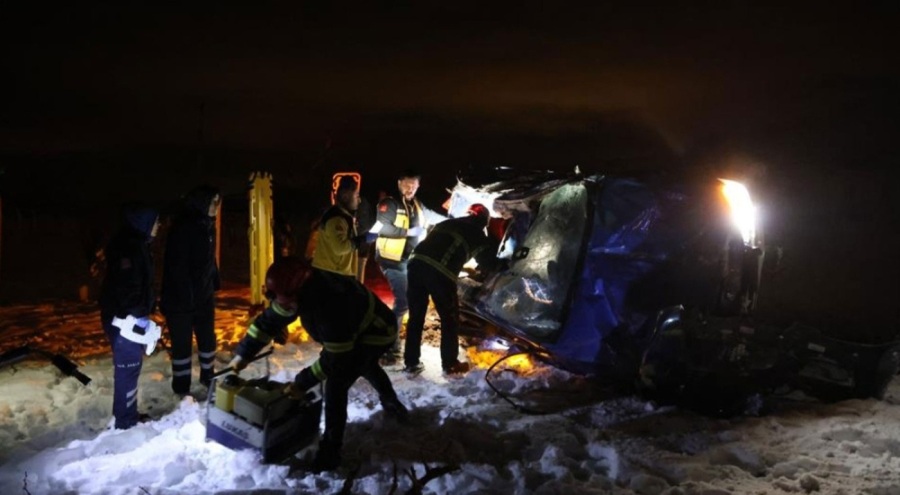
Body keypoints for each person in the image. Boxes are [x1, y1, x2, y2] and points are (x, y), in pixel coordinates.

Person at [228, 256, 409, 472]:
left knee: (336, 384)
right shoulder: (297, 292)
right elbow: (269, 322)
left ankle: (330, 453)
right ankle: (392, 403)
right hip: (354, 331)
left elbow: (335, 359)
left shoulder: (331, 305)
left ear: (299, 294)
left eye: (285, 301)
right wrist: (243, 354)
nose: (283, 306)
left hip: (377, 333)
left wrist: (302, 383)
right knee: (365, 365)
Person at [403, 204, 499, 375]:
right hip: (439, 272)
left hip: (415, 265)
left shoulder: (447, 224)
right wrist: (505, 263)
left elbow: (439, 247)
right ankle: (450, 364)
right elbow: (488, 263)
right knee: (449, 318)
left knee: (416, 316)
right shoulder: (477, 234)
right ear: (484, 221)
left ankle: (411, 362)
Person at [371, 170, 446, 362]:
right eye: (407, 184)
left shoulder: (417, 205)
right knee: (403, 302)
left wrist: (454, 221)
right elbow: (383, 228)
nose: (410, 188)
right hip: (392, 261)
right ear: (399, 183)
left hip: (409, 261)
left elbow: (433, 217)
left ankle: (390, 341)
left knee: (410, 302)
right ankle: (389, 345)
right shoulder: (389, 203)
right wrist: (410, 231)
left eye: (414, 185)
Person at [98, 204, 160, 429]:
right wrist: (139, 315)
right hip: (124, 320)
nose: (159, 225)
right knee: (128, 367)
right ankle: (125, 422)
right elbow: (128, 286)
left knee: (130, 368)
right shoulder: (130, 249)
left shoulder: (137, 245)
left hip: (127, 317)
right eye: (155, 221)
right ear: (143, 223)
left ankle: (127, 415)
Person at [160, 185, 222, 395]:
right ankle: (181, 388)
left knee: (207, 339)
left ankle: (208, 377)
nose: (216, 206)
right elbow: (177, 267)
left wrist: (214, 280)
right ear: (201, 203)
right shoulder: (183, 228)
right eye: (213, 202)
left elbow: (208, 260)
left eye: (217, 202)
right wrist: (187, 297)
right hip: (181, 300)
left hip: (203, 296)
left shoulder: (207, 225)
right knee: (182, 347)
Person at [310, 176, 362, 279]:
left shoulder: (342, 215)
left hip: (335, 272)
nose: (359, 200)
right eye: (356, 195)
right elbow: (340, 248)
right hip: (332, 274)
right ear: (345, 196)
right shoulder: (336, 219)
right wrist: (362, 240)